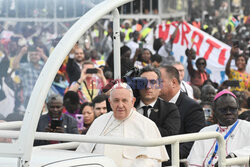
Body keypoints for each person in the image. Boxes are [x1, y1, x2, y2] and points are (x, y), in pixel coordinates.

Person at [76, 82, 169, 167]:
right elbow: (83, 153)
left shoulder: (147, 124)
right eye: (116, 100)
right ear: (110, 102)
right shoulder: (99, 121)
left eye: (124, 100)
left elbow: (152, 161)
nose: (120, 105)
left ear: (132, 101)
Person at [187, 90, 250, 166]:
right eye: (223, 109)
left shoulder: (247, 127)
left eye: (232, 109)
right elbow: (194, 162)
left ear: (237, 109)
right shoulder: (205, 132)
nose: (228, 112)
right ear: (215, 111)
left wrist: (233, 156)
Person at [159, 65, 205, 159]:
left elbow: (193, 142)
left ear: (173, 82)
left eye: (159, 81)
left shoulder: (192, 108)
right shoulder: (155, 104)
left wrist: (164, 158)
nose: (154, 85)